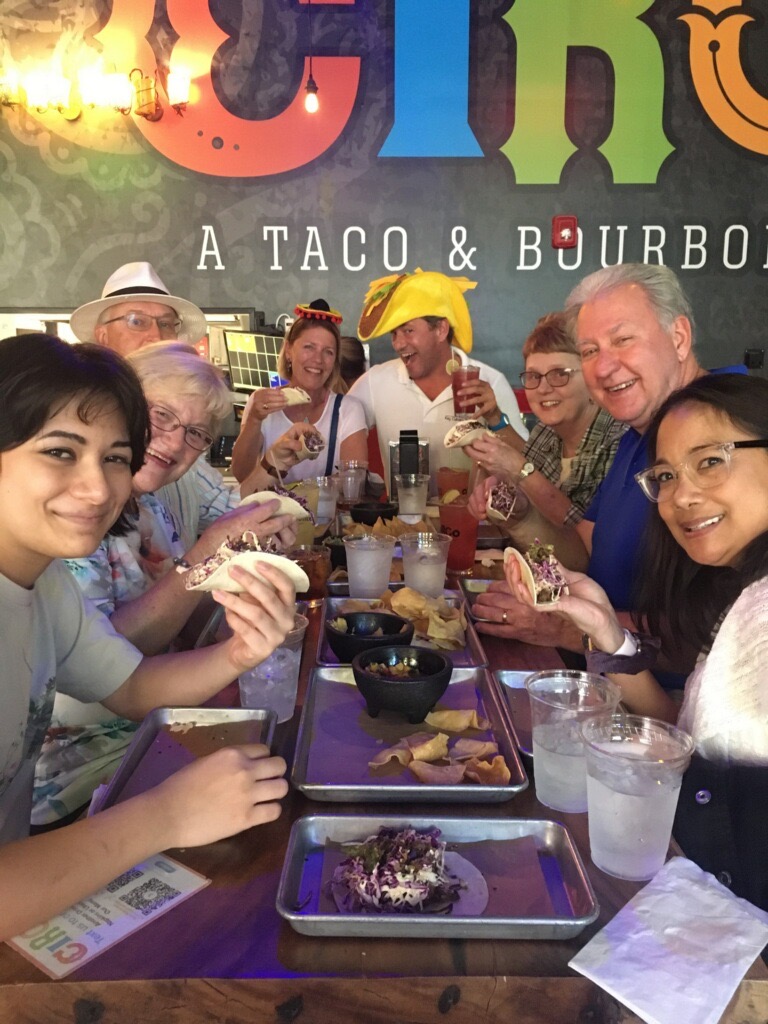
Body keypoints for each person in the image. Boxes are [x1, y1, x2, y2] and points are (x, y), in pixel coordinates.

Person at [0, 334, 293, 940]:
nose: (98, 488)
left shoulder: (43, 579)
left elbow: (129, 684)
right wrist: (166, 815)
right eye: (60, 451)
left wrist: (243, 650)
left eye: (114, 457)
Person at [505, 374, 768, 910]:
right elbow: (688, 742)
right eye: (666, 476)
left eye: (711, 461)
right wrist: (606, 632)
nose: (682, 496)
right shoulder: (740, 595)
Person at [32, 343, 301, 826]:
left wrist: (241, 606)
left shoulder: (145, 510)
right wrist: (206, 557)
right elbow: (100, 681)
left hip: (154, 724)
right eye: (161, 416)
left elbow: (124, 679)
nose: (175, 443)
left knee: (291, 763)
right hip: (81, 769)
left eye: (195, 433)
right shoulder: (62, 539)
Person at [472, 263, 745, 659]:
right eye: (590, 351)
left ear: (679, 338)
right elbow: (583, 553)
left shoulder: (736, 427)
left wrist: (565, 629)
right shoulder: (638, 433)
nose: (603, 366)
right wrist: (522, 517)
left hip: (679, 704)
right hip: (611, 678)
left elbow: (725, 634)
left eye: (623, 340)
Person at [70, 261, 242, 548]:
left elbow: (225, 508)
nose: (156, 336)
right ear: (102, 337)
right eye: (137, 321)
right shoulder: (74, 436)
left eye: (165, 324)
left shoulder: (151, 502)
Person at [466, 311, 626, 569]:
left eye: (559, 374)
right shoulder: (546, 432)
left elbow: (588, 550)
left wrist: (519, 470)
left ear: (590, 376)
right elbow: (528, 506)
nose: (543, 388)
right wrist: (497, 484)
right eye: (533, 376)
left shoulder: (619, 440)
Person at [350, 269, 528, 494]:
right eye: (394, 333)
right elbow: (337, 431)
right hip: (403, 526)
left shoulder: (489, 381)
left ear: (441, 329)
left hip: (471, 524)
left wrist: (495, 419)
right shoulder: (375, 382)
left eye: (408, 330)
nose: (398, 343)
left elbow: (528, 465)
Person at [230, 300, 368, 484]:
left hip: (327, 513)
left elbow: (354, 482)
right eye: (308, 347)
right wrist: (254, 419)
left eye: (328, 352)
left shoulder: (348, 409)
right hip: (272, 512)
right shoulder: (262, 402)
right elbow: (242, 475)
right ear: (288, 351)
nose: (317, 359)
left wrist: (303, 493)